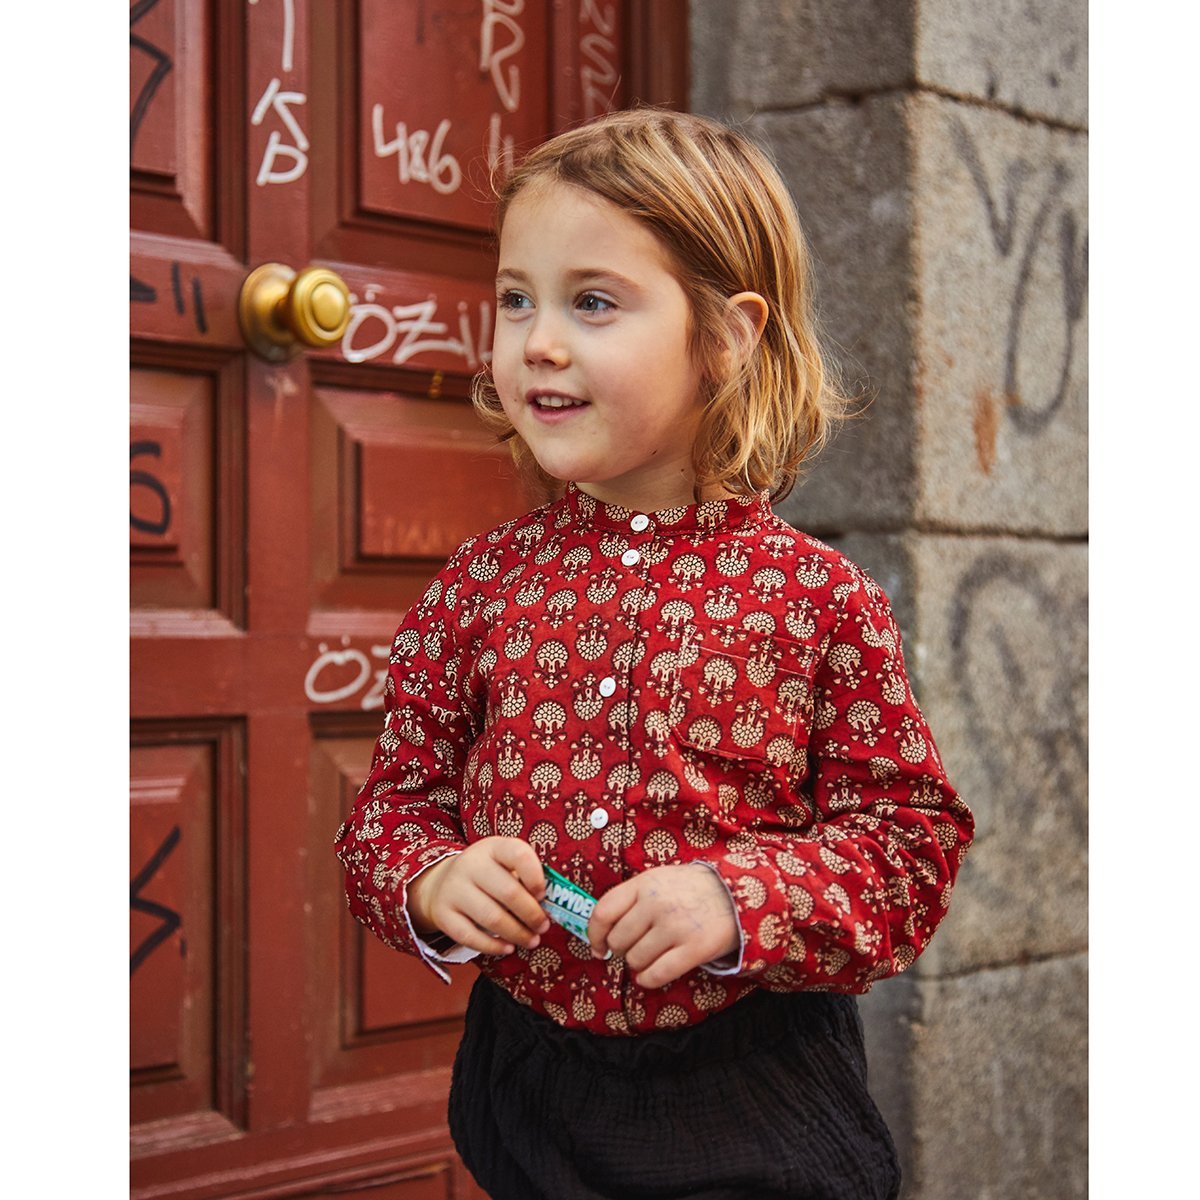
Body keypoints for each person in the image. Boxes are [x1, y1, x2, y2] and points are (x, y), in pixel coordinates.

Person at [334, 107, 973, 1200]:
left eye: (592, 302)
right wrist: (434, 880)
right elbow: (389, 814)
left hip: (752, 1088)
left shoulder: (819, 599)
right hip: (529, 1080)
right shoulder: (480, 586)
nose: (539, 341)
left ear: (727, 335)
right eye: (516, 299)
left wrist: (744, 898)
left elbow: (910, 847)